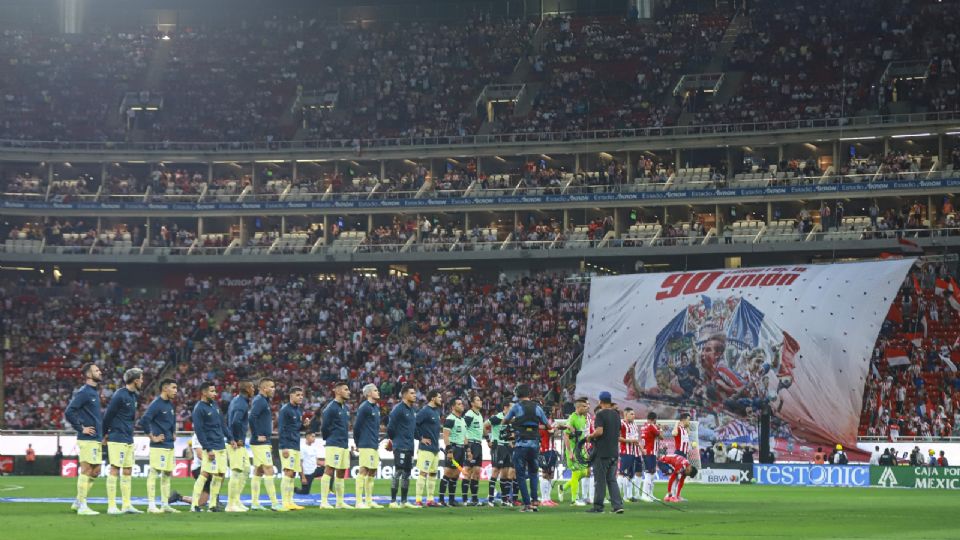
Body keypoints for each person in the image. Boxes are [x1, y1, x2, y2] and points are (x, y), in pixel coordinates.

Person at [504, 384, 553, 513]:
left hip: (521, 445)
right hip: (535, 445)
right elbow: (547, 425)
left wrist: (516, 422)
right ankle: (535, 501)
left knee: (520, 475)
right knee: (533, 473)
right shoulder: (537, 407)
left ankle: (527, 504)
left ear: (517, 395)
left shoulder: (516, 407)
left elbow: (505, 421)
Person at [102, 367, 144, 514]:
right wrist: (103, 434)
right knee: (115, 469)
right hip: (117, 437)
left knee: (127, 470)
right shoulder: (119, 395)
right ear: (135, 380)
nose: (143, 381)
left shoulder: (134, 396)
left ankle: (126, 505)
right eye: (141, 378)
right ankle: (112, 506)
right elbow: (108, 415)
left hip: (128, 438)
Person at [65, 363, 104, 515]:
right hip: (87, 438)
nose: (100, 372)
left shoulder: (94, 392)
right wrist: (81, 428)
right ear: (88, 375)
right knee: (87, 469)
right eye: (96, 370)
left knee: (96, 471)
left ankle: (78, 501)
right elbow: (69, 411)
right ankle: (82, 505)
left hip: (95, 438)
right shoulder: (84, 392)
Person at [139, 378, 179, 513]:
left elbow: (172, 420)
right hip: (159, 445)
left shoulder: (170, 405)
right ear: (165, 388)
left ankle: (164, 504)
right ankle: (151, 505)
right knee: (154, 472)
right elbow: (144, 420)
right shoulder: (156, 404)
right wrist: (152, 437)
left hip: (169, 444)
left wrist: (173, 432)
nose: (176, 391)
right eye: (173, 388)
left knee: (167, 474)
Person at [190, 382, 228, 512]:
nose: (215, 394)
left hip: (221, 446)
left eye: (215, 391)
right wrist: (208, 448)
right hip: (211, 447)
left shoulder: (215, 406)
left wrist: (231, 438)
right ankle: (194, 504)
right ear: (204, 392)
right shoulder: (199, 408)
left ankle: (212, 505)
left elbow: (223, 425)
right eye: (212, 391)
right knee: (205, 474)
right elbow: (199, 431)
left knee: (220, 474)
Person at [585, 391, 624, 514]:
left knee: (600, 480)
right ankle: (617, 505)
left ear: (600, 402)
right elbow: (618, 433)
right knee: (612, 479)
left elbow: (600, 431)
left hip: (602, 453)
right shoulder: (617, 415)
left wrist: (590, 436)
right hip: (614, 452)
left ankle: (598, 506)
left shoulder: (600, 415)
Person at [248, 378, 280, 510]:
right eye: (271, 387)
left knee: (259, 471)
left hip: (262, 441)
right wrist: (256, 435)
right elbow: (251, 416)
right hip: (260, 442)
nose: (274, 389)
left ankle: (255, 503)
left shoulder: (263, 400)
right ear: (264, 388)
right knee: (269, 469)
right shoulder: (260, 400)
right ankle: (274, 503)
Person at [320, 381, 352, 509]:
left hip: (344, 444)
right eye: (346, 389)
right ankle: (324, 502)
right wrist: (329, 439)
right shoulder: (331, 408)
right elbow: (324, 427)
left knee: (341, 472)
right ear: (337, 391)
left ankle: (339, 502)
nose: (348, 391)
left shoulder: (345, 408)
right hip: (333, 443)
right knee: (329, 469)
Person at [386, 384, 418, 508]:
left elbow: (413, 430)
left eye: (415, 393)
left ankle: (404, 501)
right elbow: (390, 428)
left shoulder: (412, 410)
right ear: (404, 395)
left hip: (410, 446)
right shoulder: (398, 409)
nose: (415, 395)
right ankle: (393, 501)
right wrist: (393, 440)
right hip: (400, 445)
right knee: (398, 471)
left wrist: (420, 438)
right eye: (412, 393)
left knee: (407, 473)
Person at [225, 380, 253, 512]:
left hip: (238, 441)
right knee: (236, 472)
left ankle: (236, 500)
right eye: (252, 387)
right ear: (247, 389)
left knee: (246, 469)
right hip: (236, 443)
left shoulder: (238, 400)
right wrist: (236, 439)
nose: (254, 389)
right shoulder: (241, 403)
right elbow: (235, 422)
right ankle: (231, 505)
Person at [353, 383, 382, 509]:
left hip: (374, 444)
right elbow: (356, 427)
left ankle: (369, 500)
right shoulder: (364, 407)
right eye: (375, 390)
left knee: (372, 471)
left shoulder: (376, 407)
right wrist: (358, 443)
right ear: (369, 393)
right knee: (364, 470)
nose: (378, 392)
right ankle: (359, 501)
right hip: (365, 443)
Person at [278, 387, 307, 511]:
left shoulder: (298, 411)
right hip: (288, 446)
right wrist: (284, 447)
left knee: (293, 473)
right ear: (291, 396)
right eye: (298, 395)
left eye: (302, 395)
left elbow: (296, 429)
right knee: (288, 472)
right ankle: (285, 502)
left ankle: (290, 501)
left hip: (295, 445)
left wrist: (304, 426)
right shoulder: (285, 410)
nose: (301, 397)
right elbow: (282, 429)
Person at [414, 389, 442, 507]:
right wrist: (421, 438)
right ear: (433, 398)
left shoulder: (437, 411)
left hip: (435, 448)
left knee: (433, 474)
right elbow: (413, 425)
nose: (441, 399)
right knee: (423, 473)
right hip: (426, 449)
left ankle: (430, 499)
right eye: (439, 397)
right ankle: (418, 500)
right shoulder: (425, 411)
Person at [559, 397, 589, 507]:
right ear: (578, 407)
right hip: (573, 450)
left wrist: (585, 449)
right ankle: (574, 500)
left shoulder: (583, 418)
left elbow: (582, 436)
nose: (587, 408)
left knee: (585, 473)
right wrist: (570, 452)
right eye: (584, 407)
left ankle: (563, 487)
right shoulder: (572, 418)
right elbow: (565, 435)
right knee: (576, 474)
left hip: (581, 449)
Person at [438, 397, 468, 507]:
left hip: (461, 449)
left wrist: (468, 450)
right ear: (453, 407)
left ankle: (451, 500)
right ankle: (441, 500)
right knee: (448, 473)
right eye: (459, 404)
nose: (462, 405)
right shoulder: (450, 418)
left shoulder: (462, 420)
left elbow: (464, 436)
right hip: (454, 448)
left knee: (456, 474)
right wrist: (449, 450)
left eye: (462, 403)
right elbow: (446, 435)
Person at [486, 401, 515, 506]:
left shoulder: (511, 419)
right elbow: (485, 426)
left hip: (507, 447)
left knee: (505, 474)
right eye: (512, 407)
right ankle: (490, 499)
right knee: (495, 471)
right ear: (505, 407)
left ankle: (504, 500)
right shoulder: (497, 417)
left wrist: (512, 441)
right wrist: (488, 440)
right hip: (498, 446)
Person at [462, 393, 485, 505]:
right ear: (472, 403)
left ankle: (474, 499)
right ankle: (465, 500)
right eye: (477, 400)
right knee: (467, 472)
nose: (480, 401)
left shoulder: (479, 415)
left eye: (480, 399)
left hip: (479, 445)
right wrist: (467, 449)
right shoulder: (469, 414)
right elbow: (463, 430)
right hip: (471, 444)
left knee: (476, 473)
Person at [617, 407, 640, 502]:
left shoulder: (634, 425)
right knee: (622, 474)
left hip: (633, 453)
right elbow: (617, 437)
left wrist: (641, 450)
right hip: (625, 452)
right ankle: (617, 496)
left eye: (634, 414)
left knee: (630, 475)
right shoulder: (621, 424)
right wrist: (630, 441)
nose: (634, 416)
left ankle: (628, 496)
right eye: (631, 414)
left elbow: (636, 439)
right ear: (625, 415)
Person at [639, 411, 662, 502]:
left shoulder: (644, 426)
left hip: (647, 451)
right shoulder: (652, 426)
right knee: (649, 474)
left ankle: (650, 494)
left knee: (651, 473)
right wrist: (660, 429)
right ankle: (644, 494)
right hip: (650, 452)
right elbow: (661, 437)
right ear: (655, 419)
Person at [538, 424, 559, 506]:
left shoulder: (548, 424)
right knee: (545, 474)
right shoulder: (540, 426)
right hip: (544, 451)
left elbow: (555, 433)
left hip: (552, 451)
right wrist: (556, 428)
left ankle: (548, 498)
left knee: (551, 474)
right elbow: (552, 432)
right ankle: (544, 499)